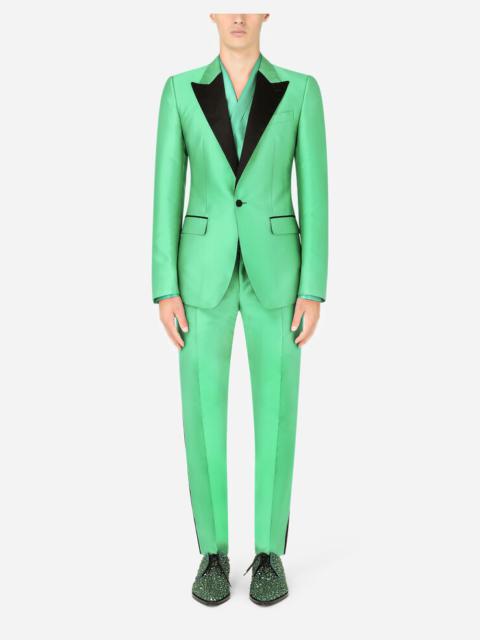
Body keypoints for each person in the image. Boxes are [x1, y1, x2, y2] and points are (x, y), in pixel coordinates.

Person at [151, 13, 328, 606]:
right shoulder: (180, 91)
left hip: (278, 275)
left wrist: (313, 286)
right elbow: (166, 191)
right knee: (201, 412)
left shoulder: (300, 91)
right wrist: (164, 285)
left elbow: (316, 194)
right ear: (209, 10)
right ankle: (212, 551)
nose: (237, 15)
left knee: (277, 410)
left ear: (266, 11)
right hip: (200, 276)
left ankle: (269, 553)